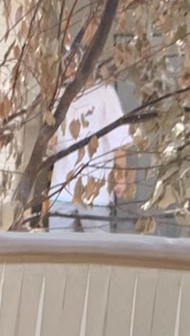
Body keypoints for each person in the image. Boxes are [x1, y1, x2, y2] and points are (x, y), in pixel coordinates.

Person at [47, 77, 132, 232]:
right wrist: (49, 147)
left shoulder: (105, 92)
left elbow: (119, 139)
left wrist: (120, 177)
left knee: (96, 243)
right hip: (61, 188)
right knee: (57, 244)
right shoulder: (60, 94)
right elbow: (52, 140)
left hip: (95, 191)